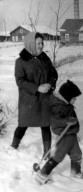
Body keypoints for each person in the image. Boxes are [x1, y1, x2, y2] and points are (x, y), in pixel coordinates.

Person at [11, 32, 58, 160]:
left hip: (44, 99)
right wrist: (37, 88)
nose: (41, 46)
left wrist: (50, 84)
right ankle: (13, 147)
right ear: (31, 44)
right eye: (38, 43)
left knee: (45, 124)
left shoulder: (45, 58)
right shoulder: (21, 61)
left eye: (42, 43)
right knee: (23, 124)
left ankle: (47, 154)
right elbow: (20, 81)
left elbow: (54, 74)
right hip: (28, 100)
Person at [35, 80, 83, 184]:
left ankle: (75, 171)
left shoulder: (65, 104)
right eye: (74, 98)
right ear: (67, 97)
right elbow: (55, 121)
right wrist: (66, 121)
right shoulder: (59, 107)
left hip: (72, 134)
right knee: (59, 155)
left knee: (77, 153)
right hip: (64, 135)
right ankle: (43, 173)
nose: (75, 99)